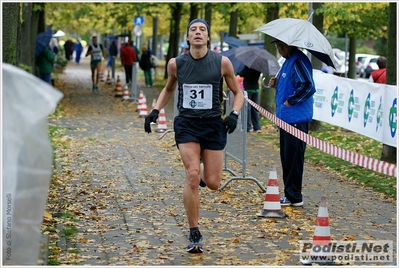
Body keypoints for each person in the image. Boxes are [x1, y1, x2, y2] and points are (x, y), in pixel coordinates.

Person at [144, 19, 244, 254]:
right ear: (188, 38)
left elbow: (237, 92)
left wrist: (234, 114)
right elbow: (169, 89)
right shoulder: (176, 64)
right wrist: (155, 111)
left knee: (213, 183)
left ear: (208, 37)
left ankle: (201, 171)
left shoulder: (222, 62)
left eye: (202, 30)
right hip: (187, 124)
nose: (198, 33)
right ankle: (194, 232)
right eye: (193, 30)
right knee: (191, 175)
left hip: (212, 125)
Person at [268, 39, 316, 207]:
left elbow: (308, 86)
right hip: (286, 119)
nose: (280, 49)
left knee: (293, 159)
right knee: (287, 158)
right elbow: (292, 84)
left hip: (296, 119)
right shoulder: (288, 61)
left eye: (283, 46)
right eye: (278, 46)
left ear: (291, 45)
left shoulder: (297, 60)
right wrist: (277, 83)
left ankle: (294, 196)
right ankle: (290, 194)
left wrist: (291, 100)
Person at [238, 66, 261, 132]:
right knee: (255, 108)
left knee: (247, 108)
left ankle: (248, 127)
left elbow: (241, 74)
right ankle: (257, 127)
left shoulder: (248, 66)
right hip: (256, 89)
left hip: (248, 89)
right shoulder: (259, 67)